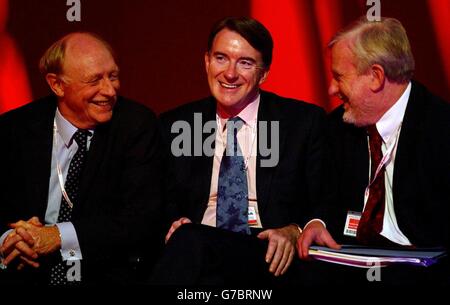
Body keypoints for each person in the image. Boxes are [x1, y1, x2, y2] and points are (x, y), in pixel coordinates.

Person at [150, 16, 333, 285]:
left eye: (245, 63)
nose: (230, 73)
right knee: (189, 241)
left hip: (266, 253)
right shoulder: (176, 125)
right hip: (196, 250)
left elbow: (325, 200)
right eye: (221, 58)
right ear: (206, 61)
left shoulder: (302, 122)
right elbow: (156, 201)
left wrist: (294, 230)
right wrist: (174, 221)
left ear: (265, 72)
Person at [0, 32, 165, 285]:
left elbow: (140, 220)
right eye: (94, 80)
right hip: (25, 271)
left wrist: (57, 236)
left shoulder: (136, 126)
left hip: (102, 273)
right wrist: (10, 240)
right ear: (57, 85)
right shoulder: (15, 128)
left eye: (113, 76)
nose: (110, 90)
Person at [297, 17, 450, 284]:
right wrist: (316, 222)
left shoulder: (441, 129)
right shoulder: (336, 128)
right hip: (347, 268)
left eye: (339, 77)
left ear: (376, 76)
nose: (332, 89)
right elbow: (320, 195)